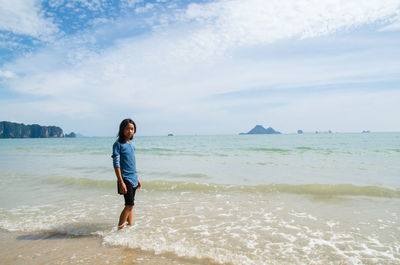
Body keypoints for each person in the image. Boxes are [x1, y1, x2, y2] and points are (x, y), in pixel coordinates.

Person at [112, 118, 141, 230]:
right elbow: (116, 164)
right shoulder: (118, 144)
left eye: (132, 129)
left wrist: (137, 178)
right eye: (127, 128)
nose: (130, 131)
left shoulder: (132, 144)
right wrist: (121, 181)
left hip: (133, 177)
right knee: (129, 205)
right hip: (125, 178)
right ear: (122, 129)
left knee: (131, 205)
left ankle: (130, 225)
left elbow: (132, 163)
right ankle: (120, 230)